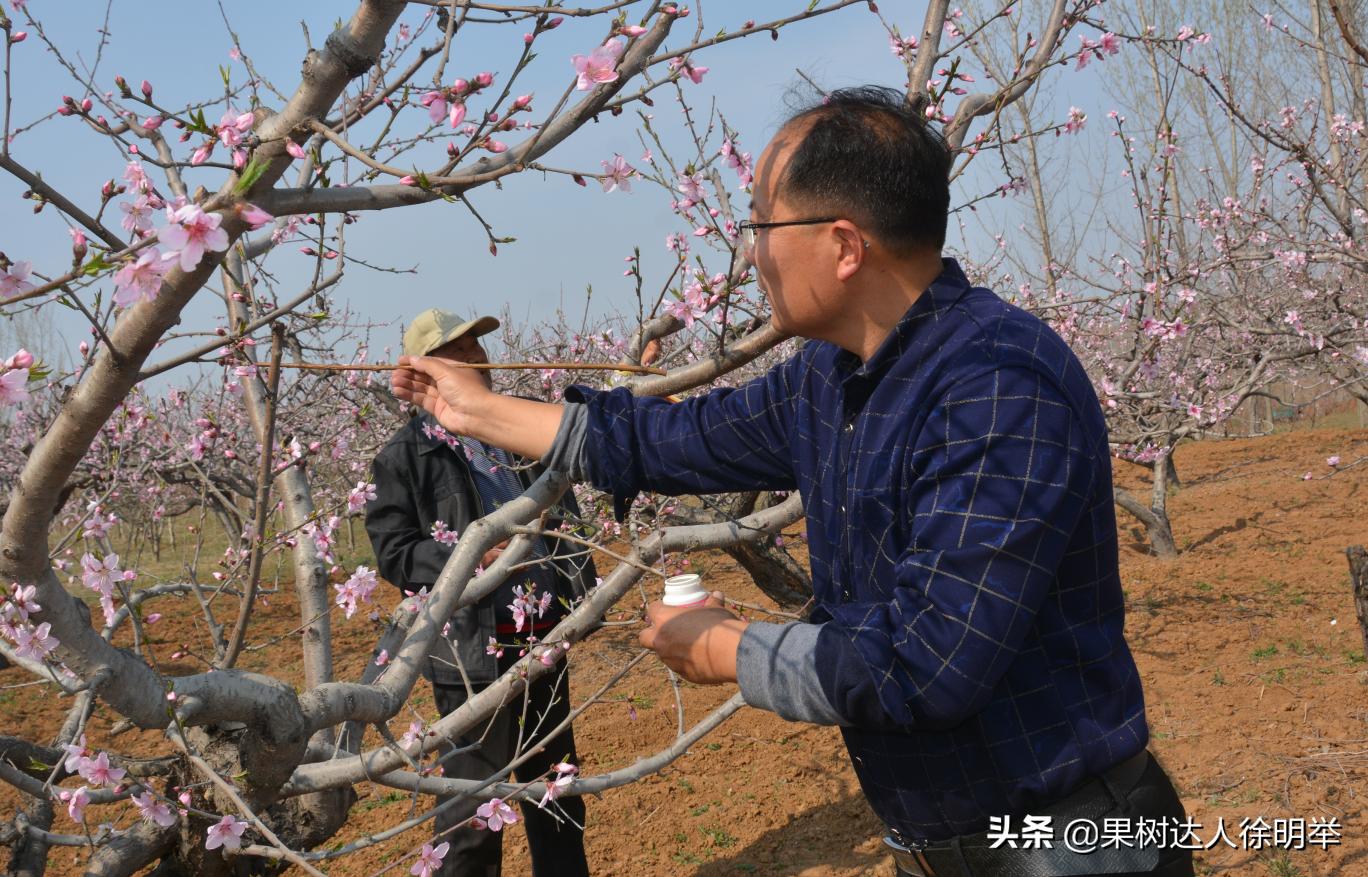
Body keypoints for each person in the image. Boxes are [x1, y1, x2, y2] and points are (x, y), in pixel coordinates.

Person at [392, 87, 1194, 877]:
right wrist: (477, 410)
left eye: (762, 227)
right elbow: (671, 438)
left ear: (845, 245)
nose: (751, 252)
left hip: (1064, 842)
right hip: (937, 840)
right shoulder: (830, 378)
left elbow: (927, 664)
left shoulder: (996, 385)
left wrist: (730, 649)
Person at [365, 308, 595, 877]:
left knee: (556, 795)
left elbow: (559, 512)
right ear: (425, 371)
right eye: (460, 351)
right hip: (470, 656)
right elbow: (394, 552)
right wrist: (467, 556)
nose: (477, 359)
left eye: (477, 347)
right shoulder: (404, 457)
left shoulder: (512, 432)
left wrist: (583, 591)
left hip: (542, 641)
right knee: (471, 812)